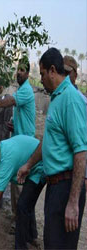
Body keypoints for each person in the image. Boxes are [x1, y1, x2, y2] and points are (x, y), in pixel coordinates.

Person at [18, 48, 87, 249]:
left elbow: (81, 151)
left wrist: (73, 202)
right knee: (52, 243)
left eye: (41, 73)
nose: (40, 80)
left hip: (66, 187)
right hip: (55, 186)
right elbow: (48, 141)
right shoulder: (57, 98)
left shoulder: (71, 99)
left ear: (52, 71)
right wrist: (29, 164)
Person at [0, 58, 35, 217]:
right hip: (19, 141)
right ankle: (17, 219)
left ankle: (22, 224)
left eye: (22, 70)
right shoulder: (21, 90)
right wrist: (14, 124)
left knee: (21, 187)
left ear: (28, 73)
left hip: (25, 147)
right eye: (18, 70)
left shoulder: (26, 90)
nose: (19, 73)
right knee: (16, 186)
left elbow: (10, 101)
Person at [64, 55, 87, 206]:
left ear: (75, 75)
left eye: (68, 73)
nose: (65, 77)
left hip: (76, 173)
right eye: (62, 72)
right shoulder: (60, 98)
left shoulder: (80, 101)